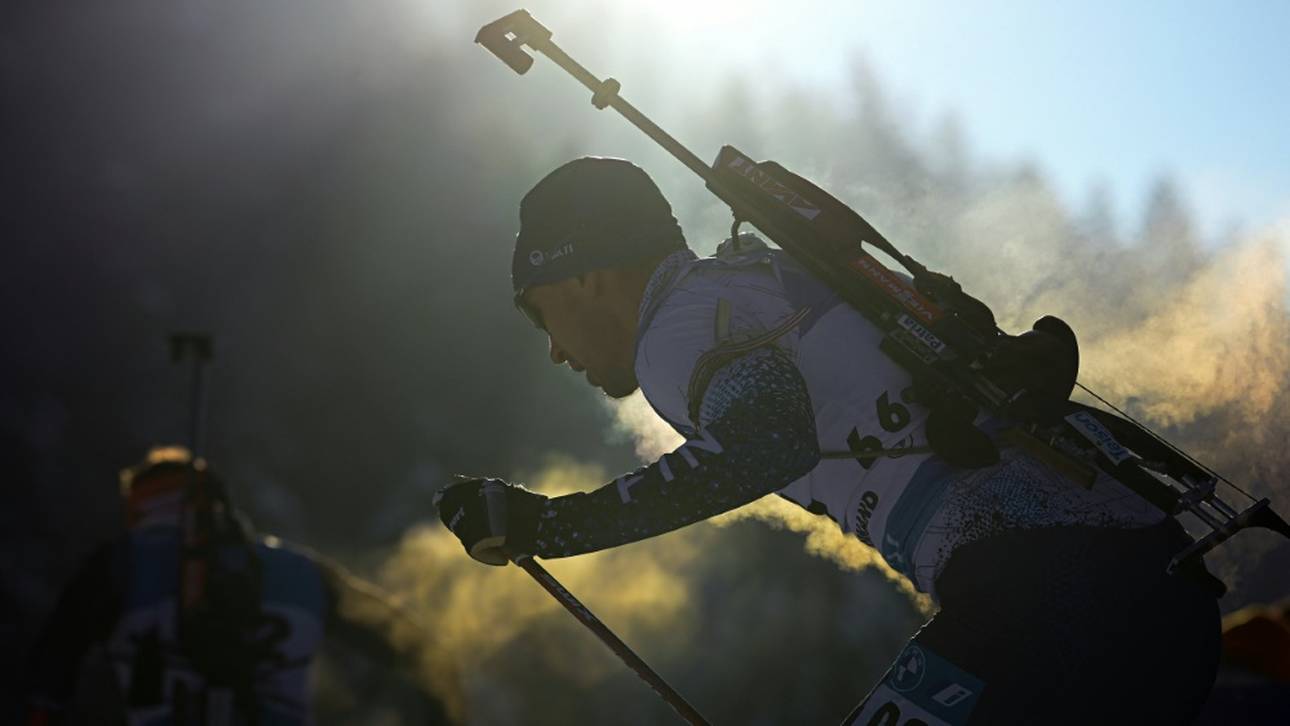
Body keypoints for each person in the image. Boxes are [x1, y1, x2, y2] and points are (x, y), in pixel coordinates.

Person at [435, 157, 1222, 724]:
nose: (554, 350)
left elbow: (765, 445)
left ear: (584, 276)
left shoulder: (673, 330)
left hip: (1046, 594)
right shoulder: (764, 275)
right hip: (1160, 584)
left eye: (539, 312)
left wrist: (551, 525)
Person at [24, 446, 448, 726]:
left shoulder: (116, 567)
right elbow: (409, 645)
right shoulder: (301, 572)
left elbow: (50, 668)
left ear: (137, 506)